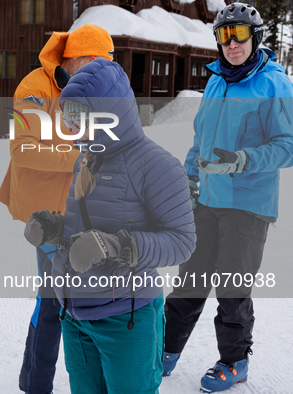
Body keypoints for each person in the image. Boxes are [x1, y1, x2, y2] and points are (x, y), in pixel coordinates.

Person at [24, 58, 196, 393]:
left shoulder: (157, 166)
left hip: (126, 318)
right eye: (68, 116)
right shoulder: (86, 160)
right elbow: (85, 227)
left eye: (79, 116)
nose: (71, 127)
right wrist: (54, 228)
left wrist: (117, 246)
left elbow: (182, 241)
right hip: (74, 314)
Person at [162, 3, 293, 393]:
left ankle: (235, 361)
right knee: (190, 279)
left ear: (255, 38)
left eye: (239, 34)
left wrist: (242, 160)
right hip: (210, 198)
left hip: (249, 203)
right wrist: (188, 175)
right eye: (224, 35)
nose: (231, 43)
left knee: (232, 284)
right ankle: (165, 351)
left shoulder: (275, 84)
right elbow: (202, 138)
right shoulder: (217, 80)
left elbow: (287, 145)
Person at [0, 24, 115, 394]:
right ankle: (36, 384)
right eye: (95, 63)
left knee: (54, 297)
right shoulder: (34, 88)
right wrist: (82, 154)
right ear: (74, 58)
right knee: (56, 301)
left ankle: (30, 377)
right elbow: (23, 148)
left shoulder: (89, 91)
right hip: (42, 212)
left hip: (71, 209)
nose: (100, 73)